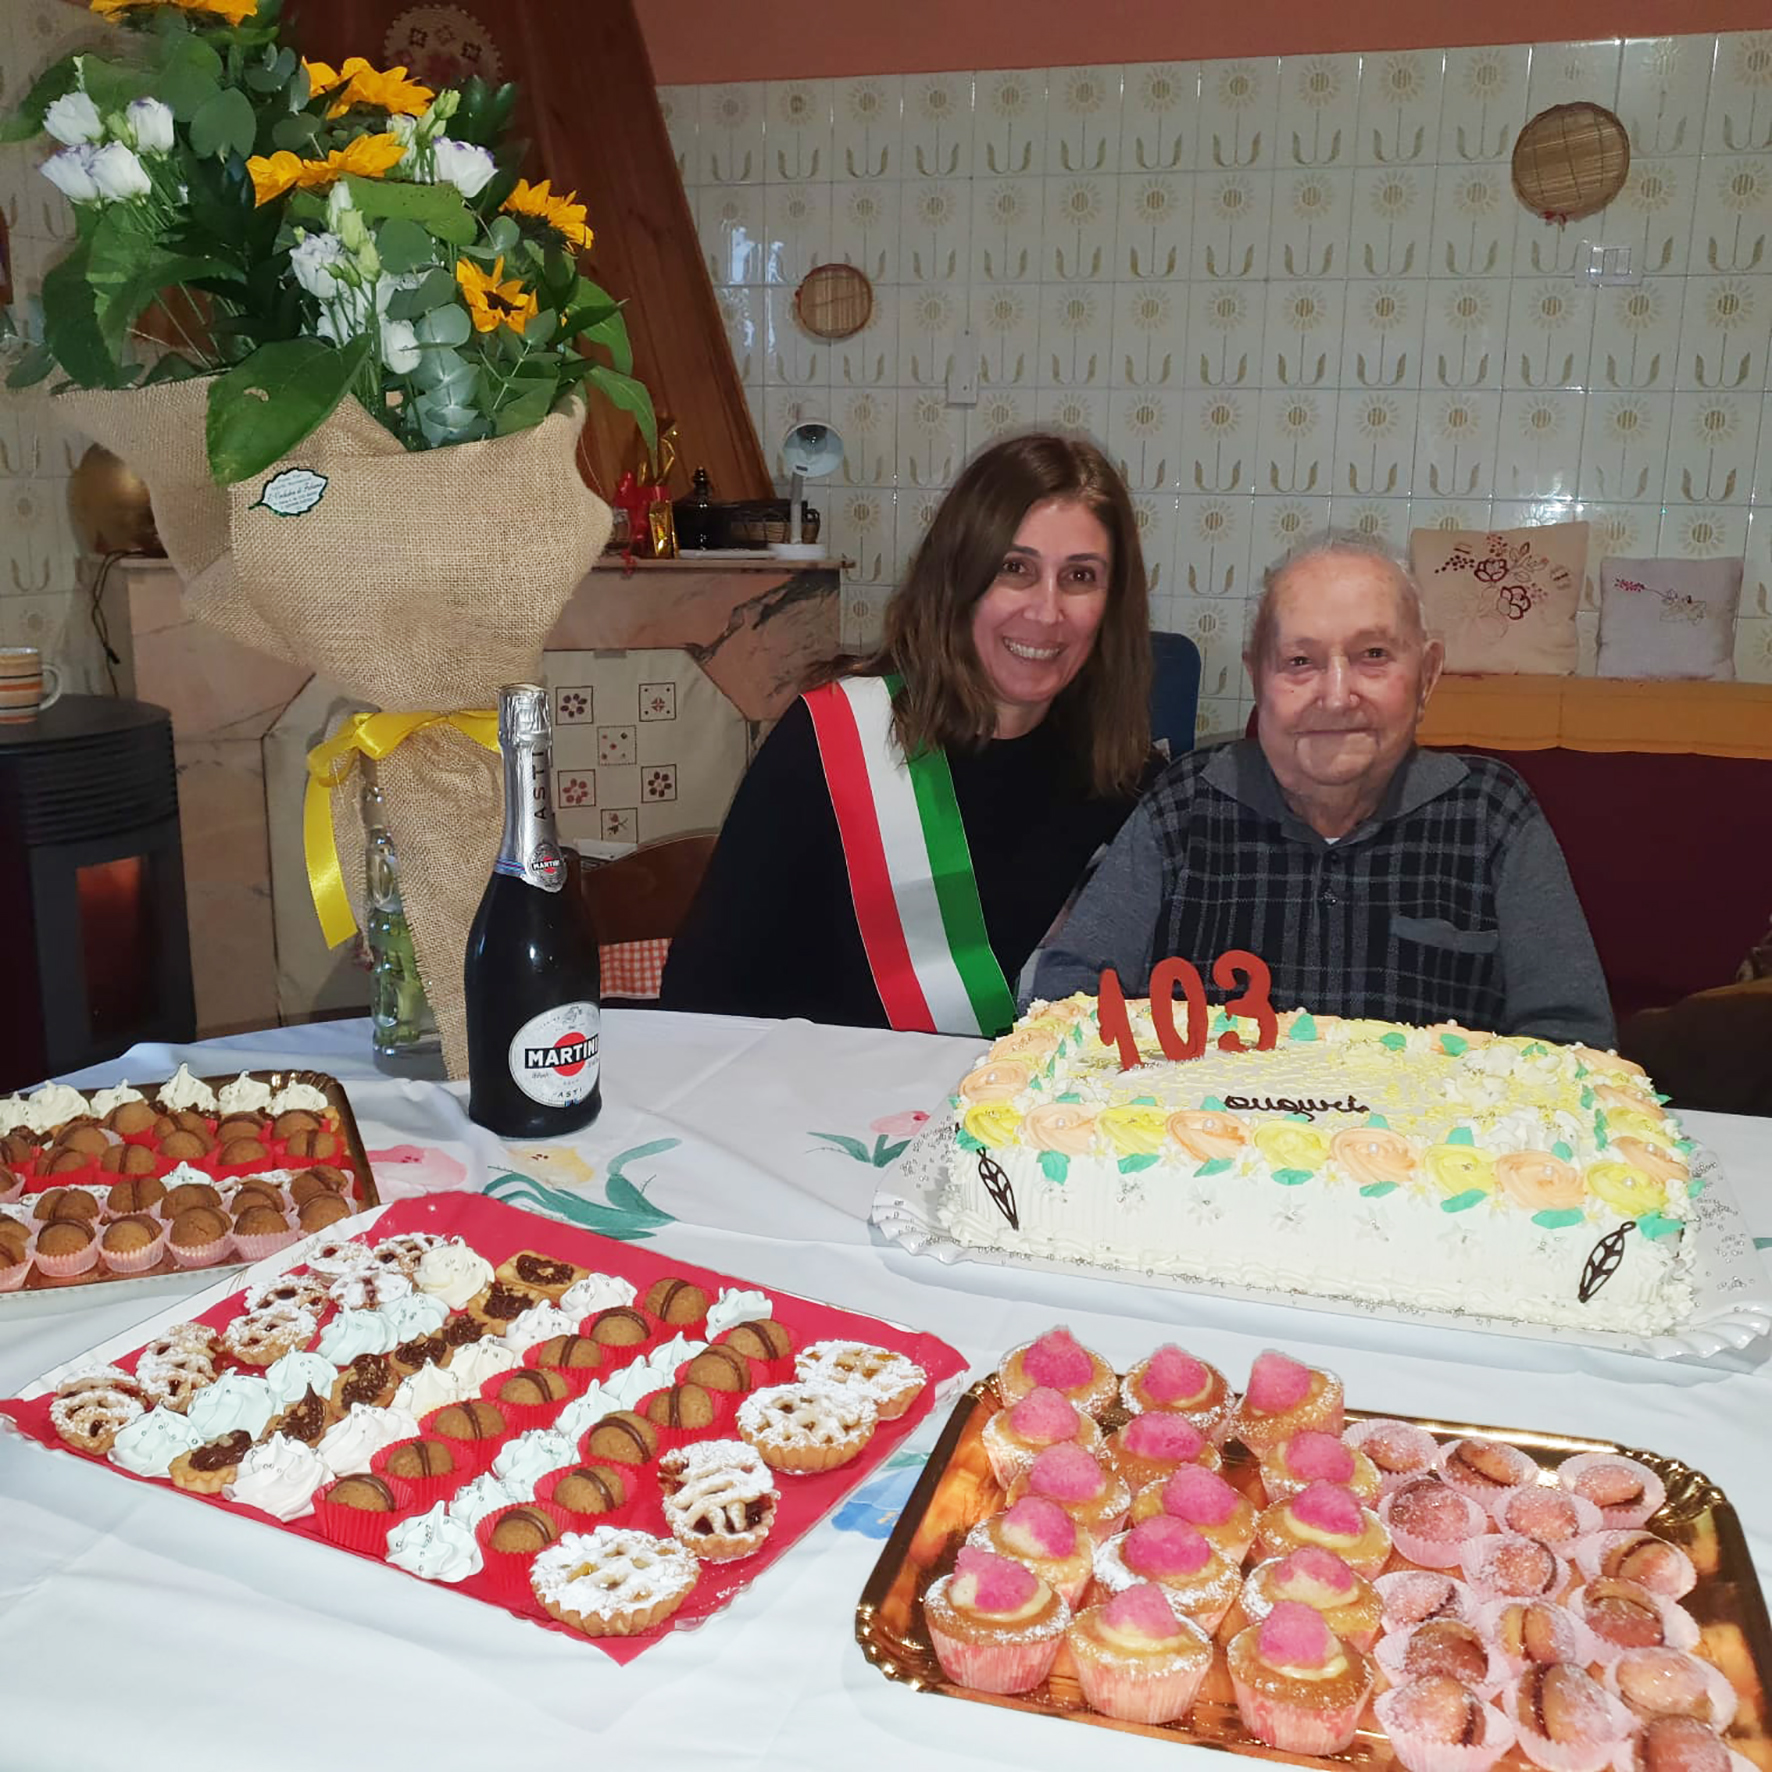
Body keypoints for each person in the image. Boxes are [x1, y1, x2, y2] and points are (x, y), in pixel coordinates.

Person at [1031, 531, 1616, 1045]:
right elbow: (1069, 993)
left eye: (1373, 655)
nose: (1336, 697)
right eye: (1299, 661)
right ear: (1258, 677)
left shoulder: (1493, 813)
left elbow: (1572, 1037)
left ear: (1427, 676)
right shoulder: (1184, 801)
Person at [661, 433, 1153, 1034]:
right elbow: (701, 997)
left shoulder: (1127, 782)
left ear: (1112, 601)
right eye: (1014, 568)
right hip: (810, 1086)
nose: (1047, 612)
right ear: (957, 578)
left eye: (1080, 576)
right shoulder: (832, 741)